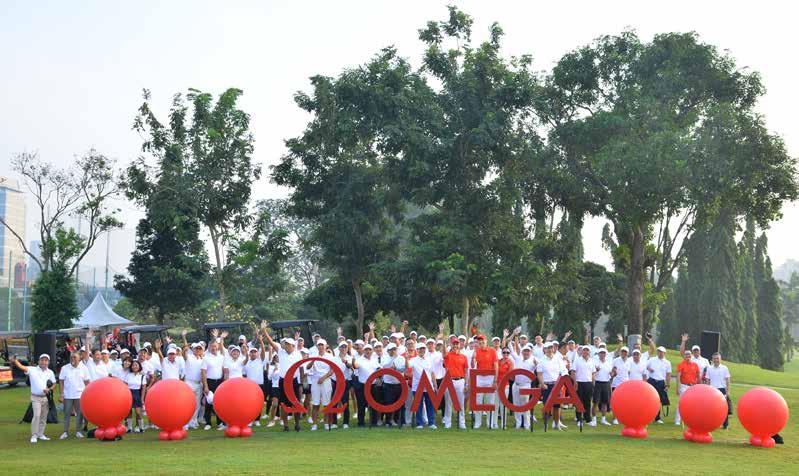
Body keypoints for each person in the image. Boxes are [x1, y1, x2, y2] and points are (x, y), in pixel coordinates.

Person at [9, 353, 56, 443]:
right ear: (39, 361)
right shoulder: (32, 369)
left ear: (48, 362)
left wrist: (49, 389)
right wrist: (15, 361)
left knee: (43, 417)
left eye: (46, 360)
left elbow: (54, 384)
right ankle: (34, 435)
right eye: (42, 360)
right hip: (35, 397)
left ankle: (40, 434)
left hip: (46, 398)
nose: (44, 362)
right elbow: (22, 367)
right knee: (37, 415)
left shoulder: (50, 372)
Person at [263, 330, 303, 432]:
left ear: (293, 346)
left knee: (296, 404)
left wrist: (301, 383)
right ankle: (286, 426)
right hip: (283, 381)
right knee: (284, 404)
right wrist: (264, 331)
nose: (286, 345)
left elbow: (301, 369)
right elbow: (271, 342)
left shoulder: (298, 354)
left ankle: (297, 424)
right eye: (286, 344)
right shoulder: (281, 352)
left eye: (288, 344)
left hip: (294, 381)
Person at [58, 351, 90, 439]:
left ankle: (78, 431)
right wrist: (61, 394)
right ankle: (65, 432)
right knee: (66, 413)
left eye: (75, 357)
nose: (73, 359)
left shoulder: (84, 368)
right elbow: (61, 381)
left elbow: (87, 382)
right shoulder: (65, 368)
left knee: (80, 414)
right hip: (67, 395)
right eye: (71, 357)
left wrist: (87, 395)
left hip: (80, 395)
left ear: (79, 358)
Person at [201, 330, 227, 430]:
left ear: (218, 347)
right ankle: (208, 423)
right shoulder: (206, 358)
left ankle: (220, 422)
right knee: (208, 403)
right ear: (209, 347)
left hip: (219, 382)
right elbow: (203, 373)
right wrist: (205, 386)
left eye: (215, 346)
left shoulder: (221, 357)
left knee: (219, 403)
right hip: (209, 382)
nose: (214, 348)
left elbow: (224, 370)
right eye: (212, 346)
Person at [407, 342, 437, 429]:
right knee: (418, 405)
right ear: (417, 350)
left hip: (429, 386)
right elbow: (408, 366)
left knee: (430, 405)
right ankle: (419, 423)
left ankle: (431, 423)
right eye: (420, 349)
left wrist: (435, 385)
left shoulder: (429, 360)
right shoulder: (413, 360)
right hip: (417, 386)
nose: (422, 350)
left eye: (423, 348)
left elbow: (432, 373)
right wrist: (406, 358)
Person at [471, 334, 499, 429]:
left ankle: (490, 422)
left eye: (482, 340)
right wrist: (472, 357)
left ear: (486, 341)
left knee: (490, 401)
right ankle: (477, 422)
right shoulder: (477, 351)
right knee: (478, 401)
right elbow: (473, 365)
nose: (481, 342)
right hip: (479, 377)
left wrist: (495, 380)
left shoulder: (492, 351)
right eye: (479, 341)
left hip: (490, 377)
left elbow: (496, 366)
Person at [442, 337, 469, 429]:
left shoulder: (464, 357)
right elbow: (443, 353)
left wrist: (466, 384)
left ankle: (462, 423)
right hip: (449, 381)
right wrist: (444, 341)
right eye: (454, 344)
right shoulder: (448, 355)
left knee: (461, 403)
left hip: (460, 381)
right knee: (448, 402)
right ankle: (448, 423)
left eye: (457, 344)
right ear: (451, 345)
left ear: (459, 345)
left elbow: (466, 371)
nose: (455, 346)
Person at [307, 339, 334, 430]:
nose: (321, 347)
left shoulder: (330, 356)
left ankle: (326, 423)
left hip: (326, 381)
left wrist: (323, 378)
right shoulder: (313, 355)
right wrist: (312, 361)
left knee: (326, 404)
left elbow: (332, 370)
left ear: (326, 346)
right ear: (317, 346)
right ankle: (314, 424)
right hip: (315, 381)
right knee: (315, 403)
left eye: (322, 345)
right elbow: (308, 367)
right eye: (319, 345)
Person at [509, 342, 536, 429]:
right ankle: (518, 423)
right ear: (522, 352)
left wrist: (536, 363)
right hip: (516, 385)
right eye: (525, 351)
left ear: (530, 352)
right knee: (516, 405)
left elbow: (538, 366)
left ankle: (526, 424)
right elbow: (511, 349)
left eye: (528, 351)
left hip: (526, 385)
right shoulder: (518, 359)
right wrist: (510, 337)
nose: (526, 353)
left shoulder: (532, 361)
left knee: (525, 405)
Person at [352, 343, 379, 427]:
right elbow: (355, 366)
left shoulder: (375, 359)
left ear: (372, 351)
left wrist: (379, 378)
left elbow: (378, 369)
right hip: (363, 385)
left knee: (374, 404)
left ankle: (374, 422)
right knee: (361, 404)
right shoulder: (359, 359)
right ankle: (361, 422)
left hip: (373, 385)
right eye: (366, 350)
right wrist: (353, 362)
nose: (368, 351)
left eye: (369, 350)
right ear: (363, 351)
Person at [703, 352, 732, 429]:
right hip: (712, 390)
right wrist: (707, 391)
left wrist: (728, 391)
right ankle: (712, 423)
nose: (716, 360)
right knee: (712, 408)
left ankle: (725, 425)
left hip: (722, 390)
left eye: (717, 358)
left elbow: (728, 380)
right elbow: (707, 380)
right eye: (714, 358)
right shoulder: (709, 368)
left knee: (724, 408)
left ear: (720, 359)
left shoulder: (725, 368)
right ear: (712, 359)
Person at [244, 330, 267, 426]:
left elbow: (263, 352)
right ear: (249, 354)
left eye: (255, 352)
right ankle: (250, 419)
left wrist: (261, 341)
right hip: (250, 386)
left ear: (257, 353)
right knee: (249, 403)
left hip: (260, 385)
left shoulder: (260, 361)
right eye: (251, 352)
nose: (253, 353)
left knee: (259, 403)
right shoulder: (246, 362)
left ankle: (257, 420)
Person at [330, 341, 353, 429]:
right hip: (335, 382)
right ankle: (334, 423)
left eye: (345, 347)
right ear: (339, 348)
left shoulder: (349, 357)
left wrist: (346, 362)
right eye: (342, 347)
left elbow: (350, 366)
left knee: (345, 402)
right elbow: (331, 370)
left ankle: (345, 423)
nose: (343, 348)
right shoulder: (334, 358)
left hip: (345, 382)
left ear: (347, 348)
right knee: (334, 402)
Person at [382, 342, 406, 427]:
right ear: (388, 351)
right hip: (388, 384)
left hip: (399, 384)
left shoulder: (401, 358)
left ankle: (397, 420)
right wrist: (393, 359)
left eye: (394, 349)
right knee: (388, 403)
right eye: (391, 350)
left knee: (399, 403)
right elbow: (384, 366)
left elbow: (403, 369)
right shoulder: (385, 358)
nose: (393, 351)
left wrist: (396, 368)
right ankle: (388, 421)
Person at [674, 350, 701, 425]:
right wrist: (678, 388)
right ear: (684, 356)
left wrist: (699, 386)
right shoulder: (681, 364)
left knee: (692, 404)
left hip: (693, 387)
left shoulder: (695, 365)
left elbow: (698, 376)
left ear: (691, 355)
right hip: (684, 386)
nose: (688, 356)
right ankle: (677, 420)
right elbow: (678, 377)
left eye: (689, 354)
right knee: (681, 403)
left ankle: (690, 419)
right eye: (686, 355)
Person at [646, 346, 672, 424]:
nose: (660, 353)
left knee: (658, 400)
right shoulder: (652, 359)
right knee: (649, 400)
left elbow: (668, 374)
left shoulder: (667, 362)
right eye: (659, 351)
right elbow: (645, 366)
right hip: (651, 381)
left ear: (664, 353)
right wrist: (649, 369)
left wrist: (667, 385)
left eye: (661, 352)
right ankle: (648, 416)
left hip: (661, 382)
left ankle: (657, 418)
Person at [570, 345, 595, 426]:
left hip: (588, 383)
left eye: (587, 350)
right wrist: (575, 382)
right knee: (579, 402)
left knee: (587, 402)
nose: (585, 352)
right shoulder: (577, 360)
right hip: (579, 383)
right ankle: (579, 419)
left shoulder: (591, 361)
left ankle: (588, 419)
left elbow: (593, 373)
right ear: (582, 351)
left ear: (589, 352)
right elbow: (573, 372)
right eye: (584, 350)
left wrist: (593, 383)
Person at [591, 348, 612, 426]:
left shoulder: (609, 363)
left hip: (606, 383)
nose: (602, 354)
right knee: (595, 402)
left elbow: (611, 374)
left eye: (603, 353)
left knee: (604, 403)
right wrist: (596, 370)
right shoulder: (594, 362)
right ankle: (594, 420)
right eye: (601, 353)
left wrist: (613, 373)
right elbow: (591, 372)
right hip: (597, 383)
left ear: (605, 354)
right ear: (598, 354)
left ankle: (603, 419)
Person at [610, 346, 631, 424]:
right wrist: (613, 373)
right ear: (620, 352)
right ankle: (614, 418)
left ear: (627, 353)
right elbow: (611, 372)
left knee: (625, 402)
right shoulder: (615, 360)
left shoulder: (629, 361)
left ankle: (622, 417)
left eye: (625, 352)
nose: (624, 353)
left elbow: (629, 373)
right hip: (616, 384)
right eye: (622, 351)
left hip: (626, 384)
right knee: (616, 402)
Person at [126, 360, 148, 433]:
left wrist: (142, 399)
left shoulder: (142, 376)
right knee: (128, 412)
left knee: (138, 412)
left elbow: (143, 388)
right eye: (133, 365)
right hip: (128, 394)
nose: (134, 367)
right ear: (131, 367)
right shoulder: (128, 375)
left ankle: (141, 427)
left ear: (139, 366)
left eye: (136, 365)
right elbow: (125, 385)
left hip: (137, 394)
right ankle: (129, 428)